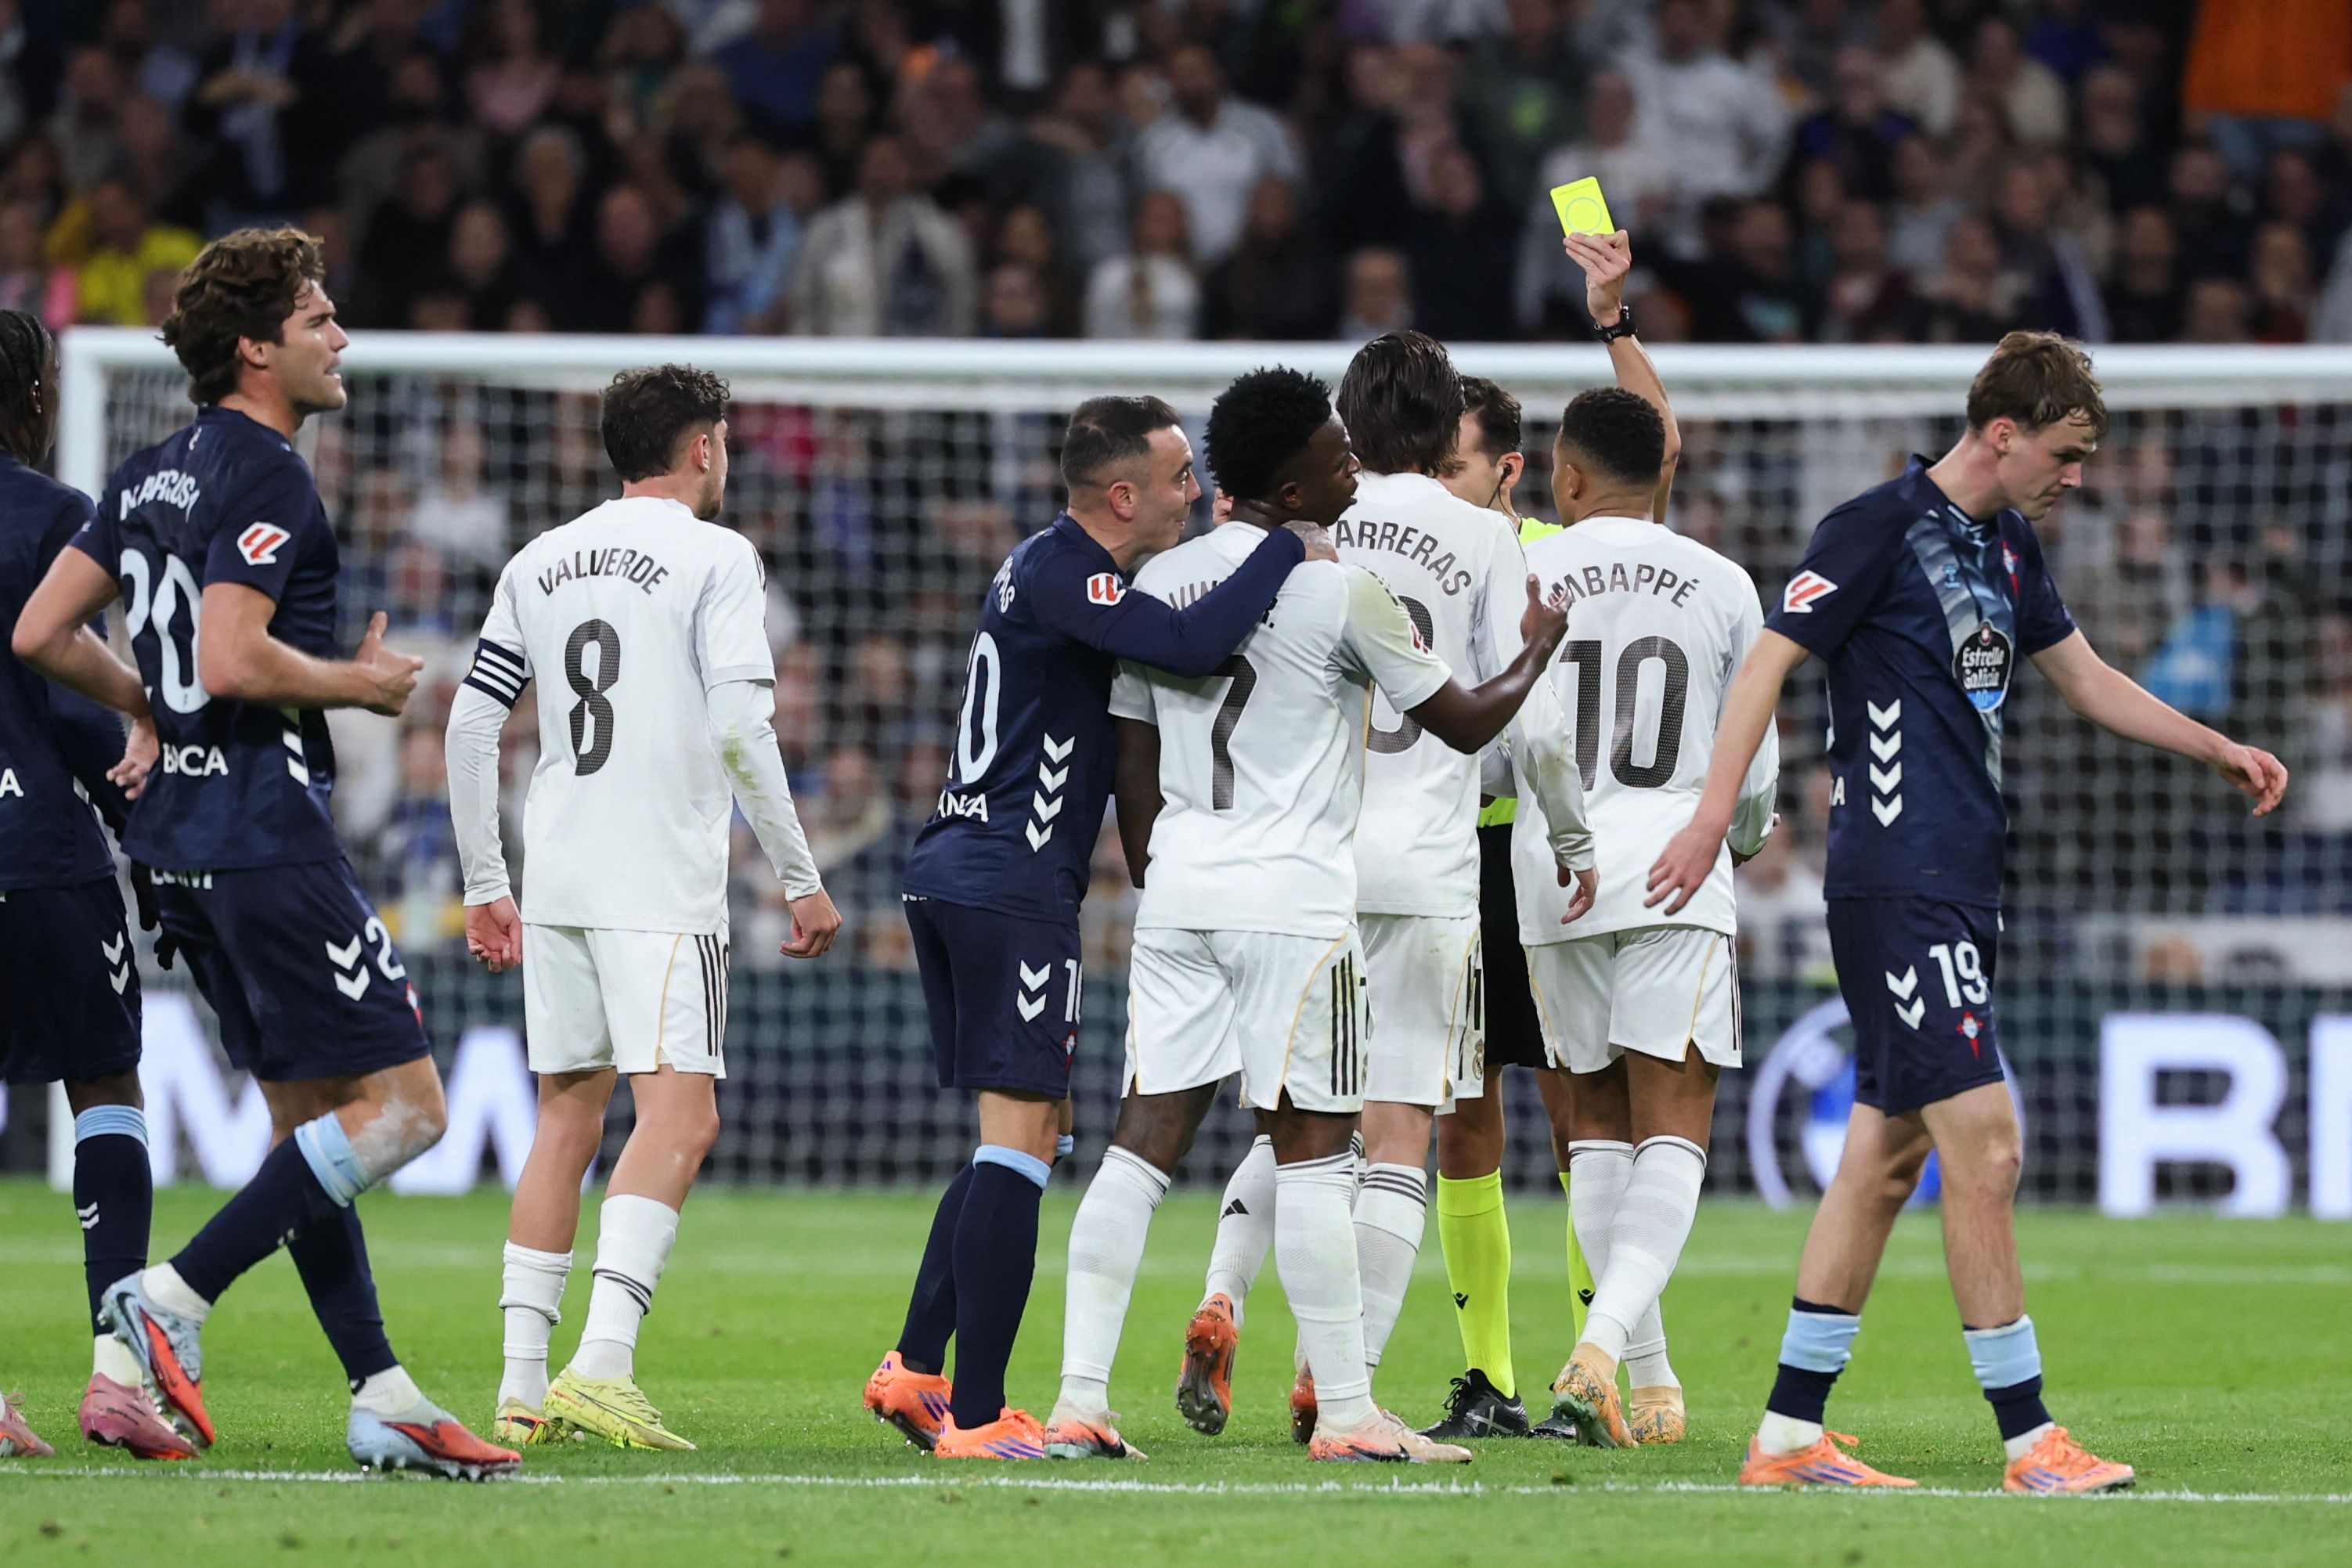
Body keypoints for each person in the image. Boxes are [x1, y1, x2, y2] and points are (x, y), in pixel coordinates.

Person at [1647, 331, 2289, 1492]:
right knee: (1987, 1151)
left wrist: (2216, 746)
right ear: (2004, 433)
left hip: (1958, 881)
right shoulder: (1874, 527)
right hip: (1897, 880)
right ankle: (2031, 1436)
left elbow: (2083, 674)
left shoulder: (2007, 545)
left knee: (1886, 1159)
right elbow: (1768, 662)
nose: (2079, 474)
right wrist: (1707, 824)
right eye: (2069, 450)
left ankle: (1789, 1435)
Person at [12, 228, 516, 1480]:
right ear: (257, 346)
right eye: (317, 316)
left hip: (176, 848)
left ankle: (382, 1393)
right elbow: (234, 655)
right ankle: (170, 1299)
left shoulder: (141, 474)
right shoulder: (273, 475)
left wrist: (147, 706)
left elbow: (37, 631)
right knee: (408, 1113)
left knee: (309, 1132)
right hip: (264, 835)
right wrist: (357, 680)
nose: (339, 335)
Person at [1044, 366, 1579, 1465]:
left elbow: (1132, 767)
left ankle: (1078, 1402)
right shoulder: (1337, 590)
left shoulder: (1160, 578)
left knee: (1141, 1145)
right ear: (1287, 486)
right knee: (1320, 1155)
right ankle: (1344, 1411)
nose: (1354, 469)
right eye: (1335, 458)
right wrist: (1536, 646)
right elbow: (1468, 723)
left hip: (1184, 888)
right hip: (1294, 898)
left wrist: (1173, 872)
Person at [864, 395, 1332, 1462]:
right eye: (1177, 480)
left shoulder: (1043, 564)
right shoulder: (1068, 569)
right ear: (1122, 496)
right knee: (1022, 1152)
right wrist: (1283, 543)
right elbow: (1199, 641)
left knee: (1010, 1144)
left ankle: (914, 1369)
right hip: (1008, 882)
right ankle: (978, 1418)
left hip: (961, 869)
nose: (1194, 495)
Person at [446, 365, 840, 1453]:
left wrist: (487, 880)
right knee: (684, 1115)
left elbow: (472, 727)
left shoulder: (539, 558)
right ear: (703, 447)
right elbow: (741, 731)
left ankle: (522, 1388)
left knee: (565, 1121)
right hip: (660, 879)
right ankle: (603, 1366)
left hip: (559, 867)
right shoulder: (722, 556)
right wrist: (799, 874)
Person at [1423, 231, 1689, 1443]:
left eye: (1458, 462)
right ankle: (1492, 1376)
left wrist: (1611, 317)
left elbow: (1655, 458)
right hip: (1447, 862)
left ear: (1520, 472)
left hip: (1541, 854)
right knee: (1460, 1115)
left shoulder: (1552, 556)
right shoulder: (1417, 559)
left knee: (1582, 1112)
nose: (1442, 481)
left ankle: (1613, 1370)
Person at [1522, 378, 1777, 1448]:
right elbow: (1750, 757)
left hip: (1554, 871)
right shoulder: (1723, 582)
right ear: (1665, 469)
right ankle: (1606, 1349)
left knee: (1593, 1130)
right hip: (1676, 864)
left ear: (1566, 478)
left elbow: (1504, 738)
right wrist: (1742, 836)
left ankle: (1648, 1372)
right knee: (1675, 1125)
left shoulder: (1524, 571)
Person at [0, 308, 187, 1462]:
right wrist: (151, 827)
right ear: (29, 396)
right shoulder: (59, 520)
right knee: (105, 1084)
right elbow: (86, 712)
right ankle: (118, 1373)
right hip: (43, 861)